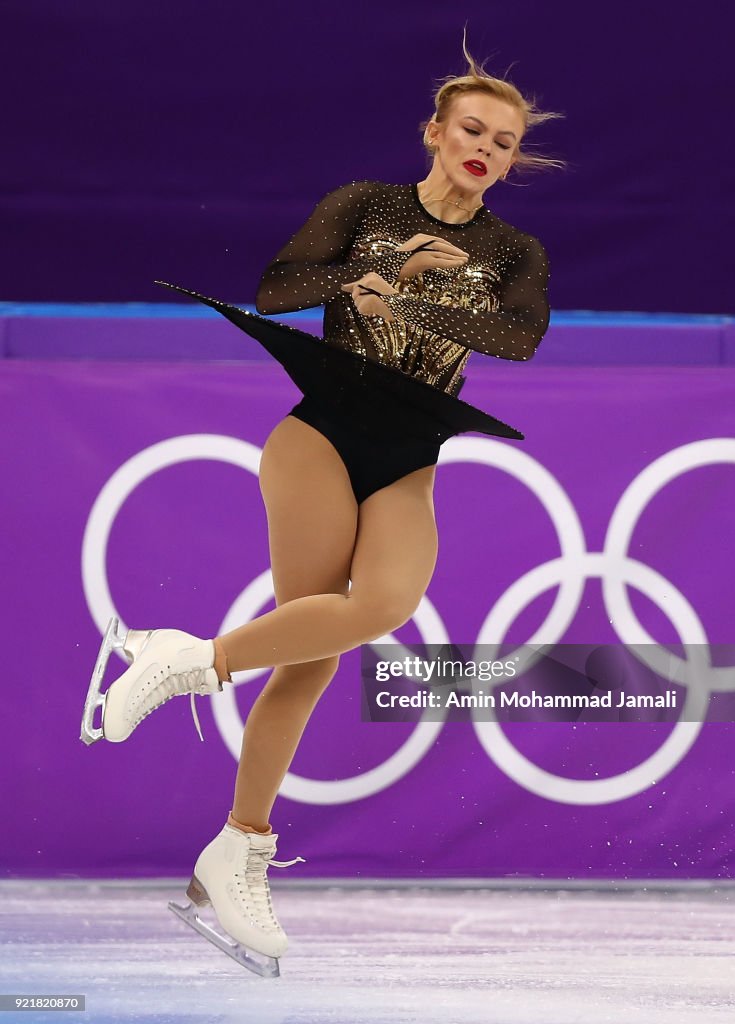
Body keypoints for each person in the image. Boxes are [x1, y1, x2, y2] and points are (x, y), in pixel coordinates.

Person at [81, 36, 565, 975]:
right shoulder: (364, 206)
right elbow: (277, 288)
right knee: (306, 660)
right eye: (470, 129)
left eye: (502, 143)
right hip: (319, 434)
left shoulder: (512, 249)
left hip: (407, 451)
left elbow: (518, 339)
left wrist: (415, 297)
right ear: (434, 131)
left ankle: (185, 658)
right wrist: (364, 280)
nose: (484, 149)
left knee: (378, 606)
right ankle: (240, 847)